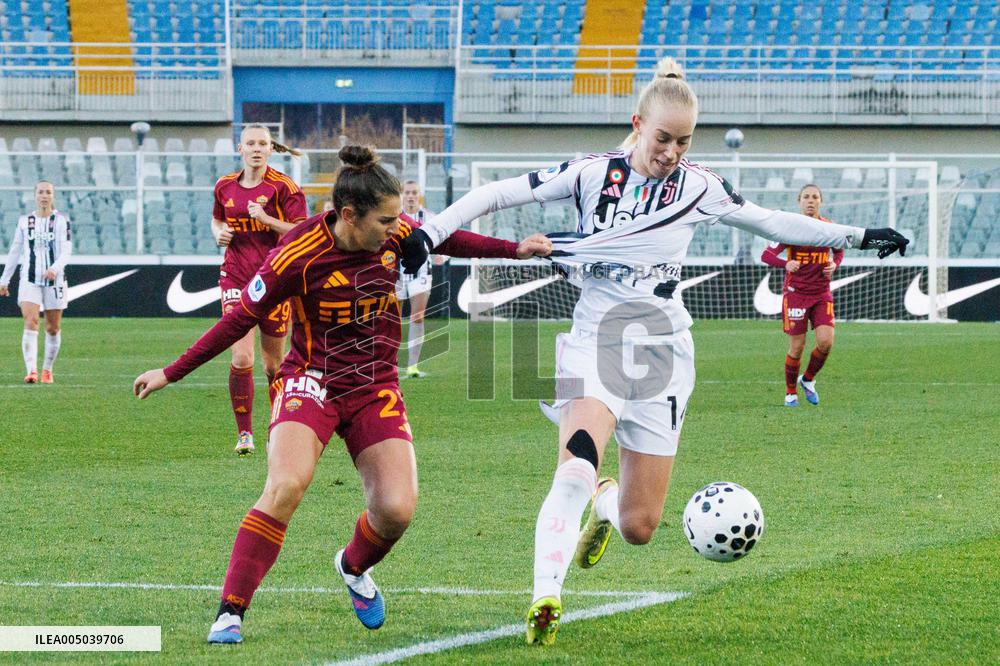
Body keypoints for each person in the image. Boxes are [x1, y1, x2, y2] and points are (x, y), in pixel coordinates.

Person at [399, 58, 909, 645]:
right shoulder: (592, 173)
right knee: (577, 462)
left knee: (641, 526)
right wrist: (429, 233)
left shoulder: (701, 187)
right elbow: (495, 193)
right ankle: (546, 592)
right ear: (637, 124)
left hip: (664, 351)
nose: (671, 151)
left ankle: (608, 504)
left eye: (683, 140)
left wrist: (859, 235)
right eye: (663, 137)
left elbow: (773, 223)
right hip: (597, 337)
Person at [133, 146, 552, 645]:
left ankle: (352, 567)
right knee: (286, 485)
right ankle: (231, 610)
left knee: (396, 510)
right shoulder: (296, 255)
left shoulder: (394, 232)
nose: (399, 229)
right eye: (387, 220)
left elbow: (445, 236)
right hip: (312, 379)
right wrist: (171, 372)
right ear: (349, 216)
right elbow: (238, 319)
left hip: (375, 385)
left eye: (401, 220)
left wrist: (512, 249)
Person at [211, 124, 308, 455]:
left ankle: (277, 430)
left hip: (274, 280)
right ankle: (244, 435)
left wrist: (266, 220)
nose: (256, 148)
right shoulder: (224, 186)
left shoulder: (285, 188)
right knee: (241, 356)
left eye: (262, 143)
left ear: (270, 149)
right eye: (250, 143)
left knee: (273, 366)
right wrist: (219, 232)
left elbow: (300, 233)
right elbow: (217, 220)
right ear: (240, 148)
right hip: (235, 277)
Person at [760, 184, 841, 406]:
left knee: (826, 342)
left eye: (815, 196)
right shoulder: (790, 229)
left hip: (821, 293)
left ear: (821, 202)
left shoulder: (829, 228)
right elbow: (766, 255)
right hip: (796, 295)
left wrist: (834, 264)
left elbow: (839, 250)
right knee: (797, 346)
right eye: (806, 197)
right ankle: (790, 392)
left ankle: (808, 380)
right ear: (799, 201)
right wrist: (786, 263)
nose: (810, 200)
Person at [0, 180, 72, 384]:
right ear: (35, 195)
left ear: (53, 196)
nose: (44, 195)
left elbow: (66, 251)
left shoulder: (61, 221)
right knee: (31, 321)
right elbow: (15, 251)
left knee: (52, 327)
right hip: (29, 278)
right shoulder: (25, 221)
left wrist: (54, 268)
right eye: (41, 192)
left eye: (48, 192)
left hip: (55, 280)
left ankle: (47, 369)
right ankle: (31, 371)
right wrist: (4, 279)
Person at [396, 180, 441, 378]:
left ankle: (413, 365)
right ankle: (390, 364)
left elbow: (445, 238)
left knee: (417, 316)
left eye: (414, 192)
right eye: (407, 193)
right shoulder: (394, 217)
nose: (411, 196)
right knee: (392, 319)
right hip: (396, 274)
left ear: (419, 195)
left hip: (422, 273)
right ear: (402, 195)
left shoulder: (429, 217)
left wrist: (442, 255)